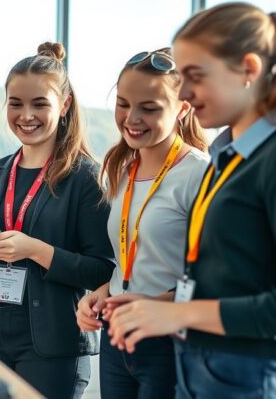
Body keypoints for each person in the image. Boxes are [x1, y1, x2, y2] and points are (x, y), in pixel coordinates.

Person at [107, 2, 276, 398]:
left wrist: (176, 311)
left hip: (245, 373)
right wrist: (152, 303)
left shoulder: (266, 162)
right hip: (199, 362)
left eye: (195, 77)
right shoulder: (227, 158)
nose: (183, 94)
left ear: (249, 71)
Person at [0, 42, 115, 398]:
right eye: (15, 104)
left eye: (39, 104)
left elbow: (103, 270)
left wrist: (37, 250)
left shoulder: (85, 178)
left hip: (52, 343)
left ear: (65, 105)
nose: (25, 115)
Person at [76, 48, 208, 398]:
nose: (131, 118)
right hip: (117, 338)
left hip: (170, 341)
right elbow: (129, 261)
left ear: (183, 108)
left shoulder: (200, 174)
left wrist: (151, 304)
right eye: (123, 103)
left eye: (149, 108)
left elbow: (212, 281)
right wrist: (104, 293)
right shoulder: (122, 170)